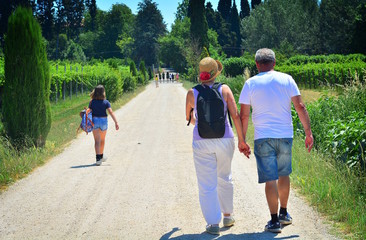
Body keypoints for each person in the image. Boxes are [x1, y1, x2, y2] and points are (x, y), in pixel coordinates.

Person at [239, 48, 313, 233]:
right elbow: (300, 106)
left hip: (263, 137)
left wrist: (242, 140)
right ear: (274, 62)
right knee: (284, 174)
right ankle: (284, 213)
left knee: (270, 180)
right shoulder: (287, 79)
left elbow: (244, 115)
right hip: (285, 135)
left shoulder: (250, 83)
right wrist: (308, 132)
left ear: (257, 64)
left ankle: (273, 222)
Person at [185, 57, 250, 235]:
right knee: (225, 177)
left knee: (207, 184)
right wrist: (242, 140)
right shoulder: (225, 89)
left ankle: (213, 224)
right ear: (215, 74)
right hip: (225, 139)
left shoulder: (192, 92)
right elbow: (235, 116)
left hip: (201, 141)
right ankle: (228, 216)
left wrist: (203, 126)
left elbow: (190, 119)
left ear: (201, 74)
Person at [89, 85, 119, 166]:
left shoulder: (92, 102)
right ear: (103, 92)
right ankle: (101, 155)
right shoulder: (106, 102)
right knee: (102, 139)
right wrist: (116, 122)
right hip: (103, 121)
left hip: (95, 121)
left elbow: (89, 112)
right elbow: (111, 112)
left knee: (97, 140)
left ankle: (98, 158)